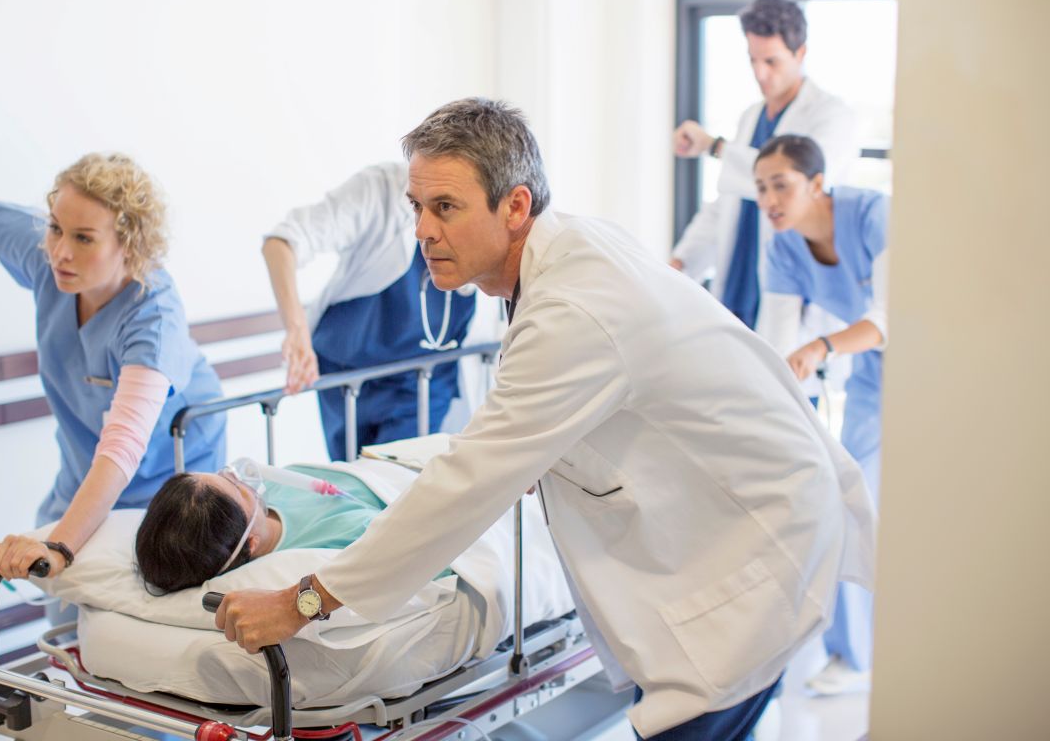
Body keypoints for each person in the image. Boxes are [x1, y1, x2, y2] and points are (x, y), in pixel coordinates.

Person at [208, 98, 877, 741]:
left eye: (446, 207)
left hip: (752, 551)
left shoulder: (572, 309)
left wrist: (302, 601)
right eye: (417, 207)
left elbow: (466, 485)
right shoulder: (565, 256)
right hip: (741, 523)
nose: (422, 231)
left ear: (516, 206)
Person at [0, 120, 227, 589]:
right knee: (58, 591)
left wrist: (61, 546)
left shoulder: (154, 320)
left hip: (169, 490)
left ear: (130, 246)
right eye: (55, 228)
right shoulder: (52, 257)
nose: (60, 252)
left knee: (129, 597)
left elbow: (124, 444)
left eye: (84, 238)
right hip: (84, 473)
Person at [754, 134, 888, 696]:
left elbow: (890, 314)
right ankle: (853, 656)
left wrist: (823, 347)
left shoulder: (872, 215)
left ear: (816, 183)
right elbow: (777, 340)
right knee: (851, 501)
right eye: (760, 189)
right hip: (875, 378)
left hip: (936, 364)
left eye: (780, 185)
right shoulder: (783, 246)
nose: (770, 199)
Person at [263, 162, 496, 461]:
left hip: (423, 378)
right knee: (349, 484)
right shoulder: (380, 190)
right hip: (344, 372)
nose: (426, 226)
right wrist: (296, 331)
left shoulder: (487, 203)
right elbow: (281, 243)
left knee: (389, 484)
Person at [671, 0, 858, 337]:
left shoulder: (831, 116)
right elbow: (724, 204)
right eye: (752, 59)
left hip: (790, 294)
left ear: (800, 53)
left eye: (771, 61)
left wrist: (715, 146)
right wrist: (683, 261)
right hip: (738, 287)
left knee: (788, 379)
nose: (760, 73)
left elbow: (795, 181)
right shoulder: (751, 117)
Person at [134, 464, 450, 594]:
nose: (239, 475)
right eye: (238, 488)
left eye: (225, 473)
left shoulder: (277, 484)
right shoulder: (332, 542)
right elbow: (435, 560)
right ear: (252, 543)